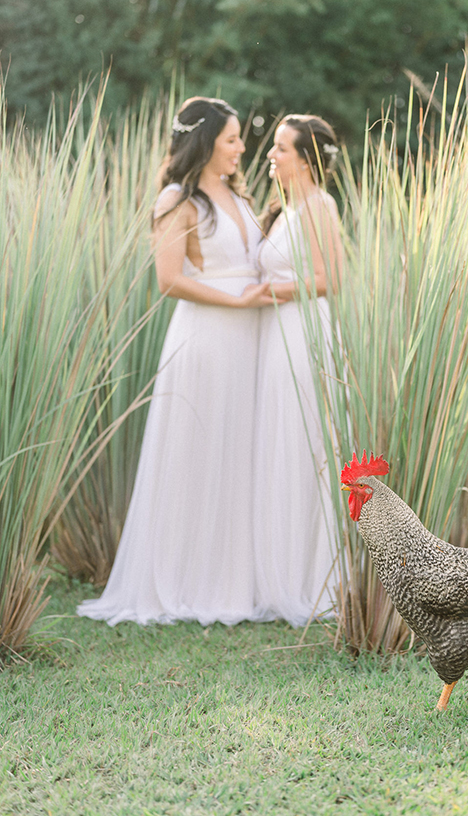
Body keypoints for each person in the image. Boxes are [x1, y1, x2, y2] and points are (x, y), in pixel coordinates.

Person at [78, 97, 277, 626]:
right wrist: (236, 300)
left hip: (251, 338)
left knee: (239, 452)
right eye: (232, 139)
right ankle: (187, 580)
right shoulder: (177, 197)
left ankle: (238, 577)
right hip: (208, 338)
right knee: (201, 449)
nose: (240, 148)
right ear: (205, 141)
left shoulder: (236, 193)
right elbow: (169, 279)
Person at [253, 115, 344, 626]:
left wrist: (268, 293)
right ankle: (278, 568)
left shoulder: (318, 206)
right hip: (275, 337)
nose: (272, 155)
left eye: (281, 149)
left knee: (304, 442)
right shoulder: (283, 211)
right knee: (279, 443)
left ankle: (311, 576)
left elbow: (330, 277)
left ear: (306, 160)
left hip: (305, 333)